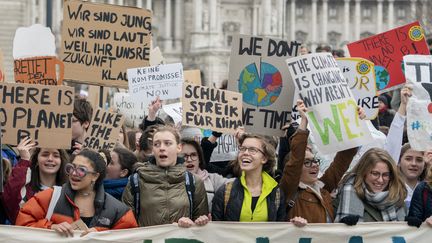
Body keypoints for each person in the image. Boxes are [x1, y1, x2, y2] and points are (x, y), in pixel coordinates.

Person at [16, 149, 137, 236]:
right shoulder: (51, 196)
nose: (74, 173)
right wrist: (50, 227)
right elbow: (20, 228)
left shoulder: (118, 210)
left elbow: (130, 238)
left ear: (95, 176)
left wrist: (102, 236)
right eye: (71, 168)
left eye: (81, 170)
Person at [279, 100, 360, 223]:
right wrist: (304, 122)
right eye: (307, 162)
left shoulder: (323, 187)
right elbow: (296, 159)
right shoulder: (289, 189)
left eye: (315, 161)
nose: (315, 165)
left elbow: (342, 161)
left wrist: (355, 122)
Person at [122, 126, 209, 227]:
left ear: (179, 147)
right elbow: (127, 226)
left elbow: (201, 228)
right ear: (153, 149)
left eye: (168, 143)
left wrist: (193, 223)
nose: (162, 148)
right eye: (156, 144)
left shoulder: (194, 182)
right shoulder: (135, 181)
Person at [212, 134, 289, 223]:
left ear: (264, 158)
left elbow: (280, 230)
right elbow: (217, 230)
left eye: (252, 150)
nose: (245, 153)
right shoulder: (225, 192)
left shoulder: (277, 194)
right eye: (242, 149)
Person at [3, 137, 69, 224]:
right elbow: (11, 201)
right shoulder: (26, 191)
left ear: (61, 161)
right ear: (37, 160)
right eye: (45, 154)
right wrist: (24, 160)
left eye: (56, 155)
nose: (50, 159)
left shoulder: (68, 192)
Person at [335, 148, 407, 224]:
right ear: (363, 173)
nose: (380, 180)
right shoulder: (344, 197)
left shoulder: (398, 199)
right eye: (375, 173)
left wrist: (412, 227)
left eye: (386, 175)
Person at [181, 138, 231, 211]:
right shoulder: (170, 181)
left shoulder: (213, 180)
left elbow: (239, 185)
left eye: (193, 155)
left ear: (200, 159)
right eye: (184, 156)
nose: (189, 160)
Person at [398, 143, 426, 209]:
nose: (414, 164)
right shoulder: (390, 188)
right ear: (399, 161)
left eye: (419, 160)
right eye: (408, 159)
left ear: (424, 164)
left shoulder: (428, 189)